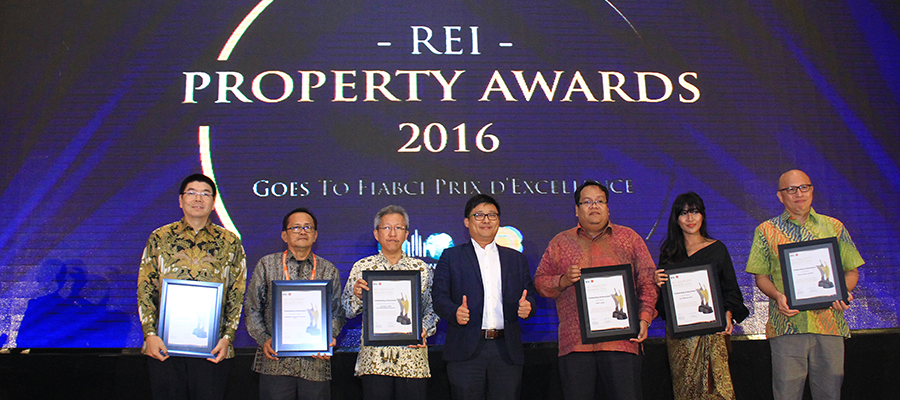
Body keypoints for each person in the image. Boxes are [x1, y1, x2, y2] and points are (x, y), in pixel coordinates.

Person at [534, 180, 657, 400]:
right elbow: (540, 282)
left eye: (600, 201)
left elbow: (648, 280)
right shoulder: (560, 243)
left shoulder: (629, 239)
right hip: (576, 345)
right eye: (587, 202)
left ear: (608, 207)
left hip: (621, 342)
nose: (594, 206)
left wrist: (644, 319)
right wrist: (563, 281)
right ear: (577, 209)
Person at [746, 169, 862, 400]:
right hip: (787, 324)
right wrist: (777, 296)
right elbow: (761, 277)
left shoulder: (834, 227)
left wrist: (843, 291)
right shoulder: (766, 231)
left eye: (804, 187)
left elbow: (852, 271)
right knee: (786, 394)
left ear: (811, 190)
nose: (798, 194)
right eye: (791, 189)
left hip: (829, 324)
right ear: (780, 196)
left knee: (830, 394)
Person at [137, 173, 247, 400]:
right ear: (180, 200)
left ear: (213, 202)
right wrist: (150, 335)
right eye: (192, 193)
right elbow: (146, 287)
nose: (198, 198)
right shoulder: (160, 237)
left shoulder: (230, 242)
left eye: (205, 194)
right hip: (164, 345)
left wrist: (227, 338)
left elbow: (236, 293)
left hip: (212, 347)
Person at [432, 194, 536, 400]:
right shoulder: (451, 257)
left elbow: (530, 295)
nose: (486, 220)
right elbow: (439, 296)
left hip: (506, 351)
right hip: (465, 351)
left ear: (498, 220)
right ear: (467, 221)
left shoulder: (516, 259)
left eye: (492, 215)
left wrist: (529, 307)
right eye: (479, 215)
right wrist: (454, 312)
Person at [654, 192, 749, 400]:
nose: (690, 218)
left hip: (712, 334)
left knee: (717, 392)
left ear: (703, 215)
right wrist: (657, 283)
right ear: (676, 219)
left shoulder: (717, 249)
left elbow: (731, 291)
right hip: (680, 339)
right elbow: (663, 304)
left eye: (695, 212)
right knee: (685, 391)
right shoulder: (669, 253)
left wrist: (728, 314)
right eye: (684, 213)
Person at [244, 207, 346, 400]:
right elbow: (252, 308)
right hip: (275, 362)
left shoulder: (328, 269)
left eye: (308, 227)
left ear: (315, 235)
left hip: (315, 364)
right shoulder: (266, 265)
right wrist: (264, 339)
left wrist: (328, 337)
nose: (302, 231)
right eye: (296, 227)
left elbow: (337, 313)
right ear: (284, 235)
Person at [342, 205, 439, 400]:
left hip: (412, 360)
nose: (392, 233)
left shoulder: (421, 269)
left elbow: (433, 309)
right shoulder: (362, 267)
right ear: (376, 234)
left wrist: (423, 330)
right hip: (375, 361)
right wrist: (357, 297)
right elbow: (346, 310)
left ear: (406, 234)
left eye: (398, 228)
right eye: (386, 228)